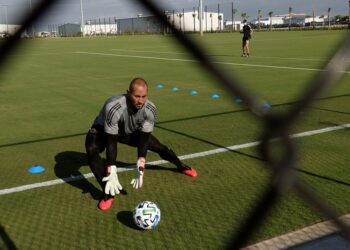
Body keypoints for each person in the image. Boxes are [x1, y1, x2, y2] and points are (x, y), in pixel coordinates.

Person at [85, 77, 197, 211]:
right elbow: (111, 142)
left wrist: (141, 163)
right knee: (92, 150)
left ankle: (181, 165)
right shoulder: (114, 108)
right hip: (104, 131)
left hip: (129, 131)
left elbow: (144, 139)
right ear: (128, 93)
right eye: (137, 96)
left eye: (144, 96)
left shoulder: (150, 109)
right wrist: (112, 168)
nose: (140, 101)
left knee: (159, 147)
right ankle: (108, 194)